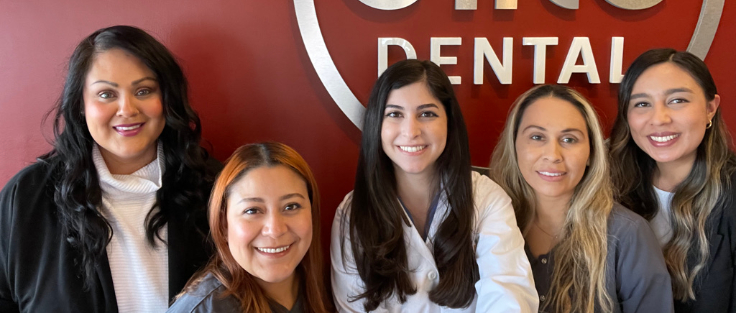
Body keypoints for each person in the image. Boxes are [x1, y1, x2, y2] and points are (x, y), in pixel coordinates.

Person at [0, 25, 221, 312]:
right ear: (80, 104)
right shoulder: (27, 197)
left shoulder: (217, 188)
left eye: (144, 90)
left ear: (167, 100)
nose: (127, 109)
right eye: (106, 94)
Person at [331, 59, 538, 312]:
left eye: (427, 114)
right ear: (377, 125)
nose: (411, 131)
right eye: (395, 114)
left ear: (449, 122)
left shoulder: (486, 199)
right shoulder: (353, 213)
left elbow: (509, 293)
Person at [490, 85, 673, 313]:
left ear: (591, 153)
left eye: (569, 139)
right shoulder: (486, 224)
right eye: (537, 137)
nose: (553, 155)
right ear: (515, 146)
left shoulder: (627, 234)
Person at [609, 48, 735, 313]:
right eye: (642, 104)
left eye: (677, 100)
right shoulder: (609, 189)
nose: (659, 119)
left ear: (710, 108)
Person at [167, 142, 332, 313]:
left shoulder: (330, 287)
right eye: (252, 210)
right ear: (224, 223)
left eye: (291, 206)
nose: (275, 230)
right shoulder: (201, 309)